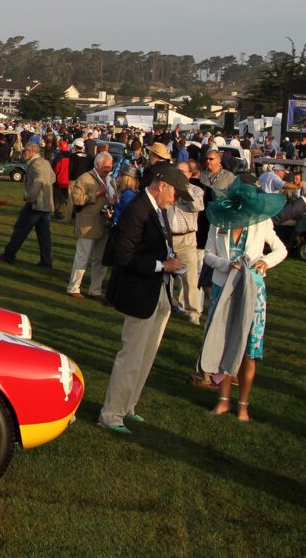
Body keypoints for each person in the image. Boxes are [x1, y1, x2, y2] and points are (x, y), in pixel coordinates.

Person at [98, 162, 190, 434]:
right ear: (162, 185)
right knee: (132, 356)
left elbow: (154, 246)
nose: (176, 199)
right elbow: (123, 256)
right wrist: (163, 266)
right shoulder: (138, 209)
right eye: (175, 193)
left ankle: (128, 406)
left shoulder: (156, 209)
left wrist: (169, 262)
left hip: (158, 291)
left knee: (147, 355)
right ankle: (111, 414)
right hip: (140, 291)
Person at [197, 181, 288, 420]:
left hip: (252, 291)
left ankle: (243, 405)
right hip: (222, 288)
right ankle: (223, 400)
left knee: (249, 350)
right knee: (224, 344)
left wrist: (265, 261)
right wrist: (227, 265)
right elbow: (207, 255)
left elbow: (281, 249)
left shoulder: (262, 222)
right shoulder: (219, 222)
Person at [0, 143, 56, 267]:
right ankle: (46, 261)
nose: (23, 153)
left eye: (24, 151)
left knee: (20, 230)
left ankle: (8, 256)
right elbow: (52, 178)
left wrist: (30, 197)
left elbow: (39, 181)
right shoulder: (46, 162)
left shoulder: (35, 164)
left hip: (35, 204)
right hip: (46, 205)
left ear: (31, 152)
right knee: (44, 235)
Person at [66, 151, 115, 298]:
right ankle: (73, 288)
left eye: (110, 167)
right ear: (97, 165)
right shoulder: (85, 178)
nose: (108, 169)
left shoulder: (111, 180)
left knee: (100, 260)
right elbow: (76, 199)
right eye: (106, 166)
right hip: (88, 224)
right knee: (82, 257)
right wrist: (96, 195)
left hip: (104, 223)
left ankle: (95, 290)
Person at [166, 160, 206, 324]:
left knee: (190, 278)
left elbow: (198, 207)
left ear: (190, 174)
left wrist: (183, 190)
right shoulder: (167, 188)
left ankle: (193, 312)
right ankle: (166, 305)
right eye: (178, 171)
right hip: (168, 237)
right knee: (164, 274)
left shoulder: (196, 190)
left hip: (187, 238)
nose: (180, 175)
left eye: (184, 172)